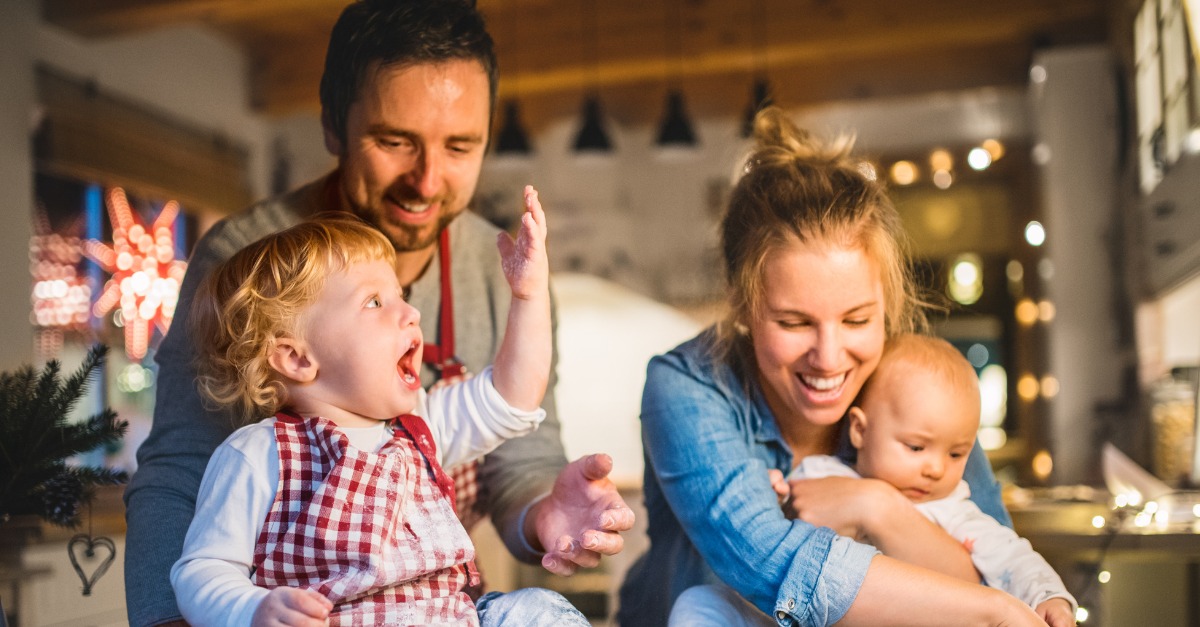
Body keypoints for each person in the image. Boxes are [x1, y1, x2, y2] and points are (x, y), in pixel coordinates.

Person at [124, 2, 633, 625]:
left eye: (461, 146)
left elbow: (520, 441)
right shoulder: (247, 267)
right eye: (394, 141)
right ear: (334, 127)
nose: (427, 181)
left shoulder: (503, 274)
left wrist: (546, 515)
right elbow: (182, 469)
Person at [617, 106, 1047, 627]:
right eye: (795, 322)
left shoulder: (920, 385)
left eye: (857, 319)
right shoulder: (687, 386)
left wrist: (875, 507)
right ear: (743, 307)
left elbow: (990, 567)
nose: (829, 356)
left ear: (887, 304)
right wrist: (991, 610)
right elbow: (771, 562)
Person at [170, 206, 589, 626]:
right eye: (374, 302)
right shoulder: (258, 455)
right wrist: (251, 610)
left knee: (535, 609)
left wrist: (527, 297)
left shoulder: (422, 427)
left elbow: (512, 394)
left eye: (400, 296)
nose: (411, 314)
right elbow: (202, 570)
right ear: (297, 358)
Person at [668, 334, 1077, 627]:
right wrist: (772, 494)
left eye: (956, 454)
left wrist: (1048, 596)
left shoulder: (956, 511)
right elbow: (771, 541)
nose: (935, 468)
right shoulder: (824, 475)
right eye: (916, 448)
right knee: (699, 604)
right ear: (860, 431)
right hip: (798, 615)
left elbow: (1013, 559)